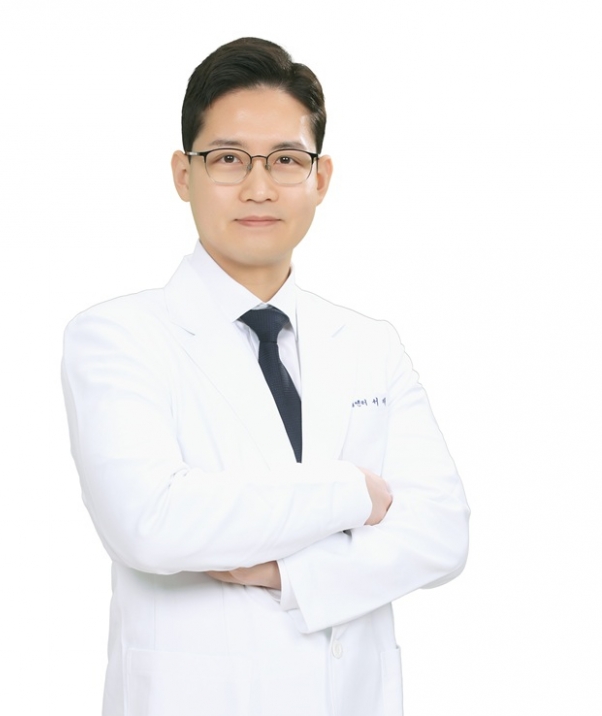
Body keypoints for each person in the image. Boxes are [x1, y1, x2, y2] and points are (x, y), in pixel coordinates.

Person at [61, 37, 470, 716]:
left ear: (321, 178)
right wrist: (354, 492)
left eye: (285, 159)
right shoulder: (117, 336)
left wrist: (288, 572)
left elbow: (441, 533)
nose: (258, 187)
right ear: (183, 174)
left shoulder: (371, 343)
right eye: (228, 159)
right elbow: (154, 521)